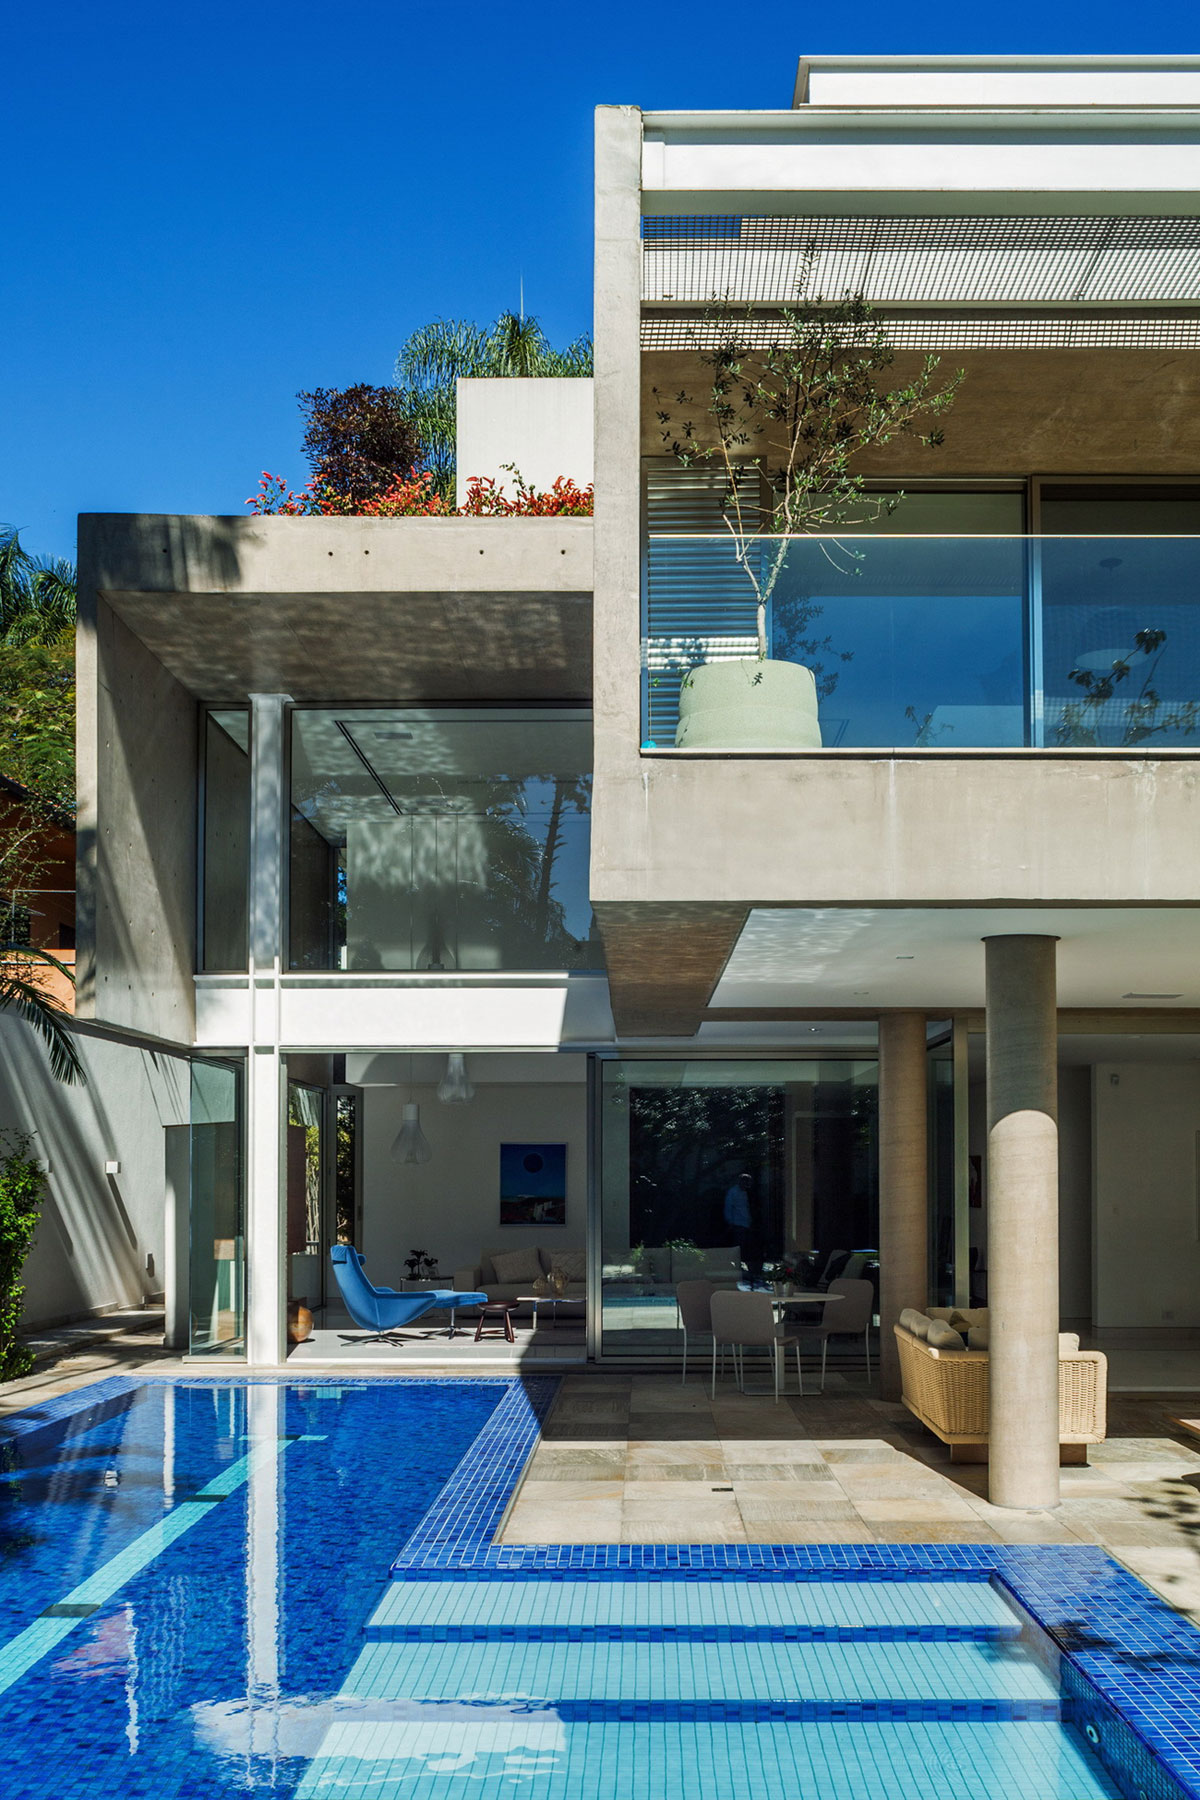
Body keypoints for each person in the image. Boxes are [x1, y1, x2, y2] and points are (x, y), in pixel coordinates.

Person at [723, 1171, 764, 1286]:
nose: (747, 1184)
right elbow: (728, 1207)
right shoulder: (733, 1192)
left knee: (748, 1246)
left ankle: (748, 1268)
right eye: (745, 1182)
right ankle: (737, 1266)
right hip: (738, 1223)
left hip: (748, 1223)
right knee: (739, 1246)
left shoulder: (748, 1193)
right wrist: (730, 1222)